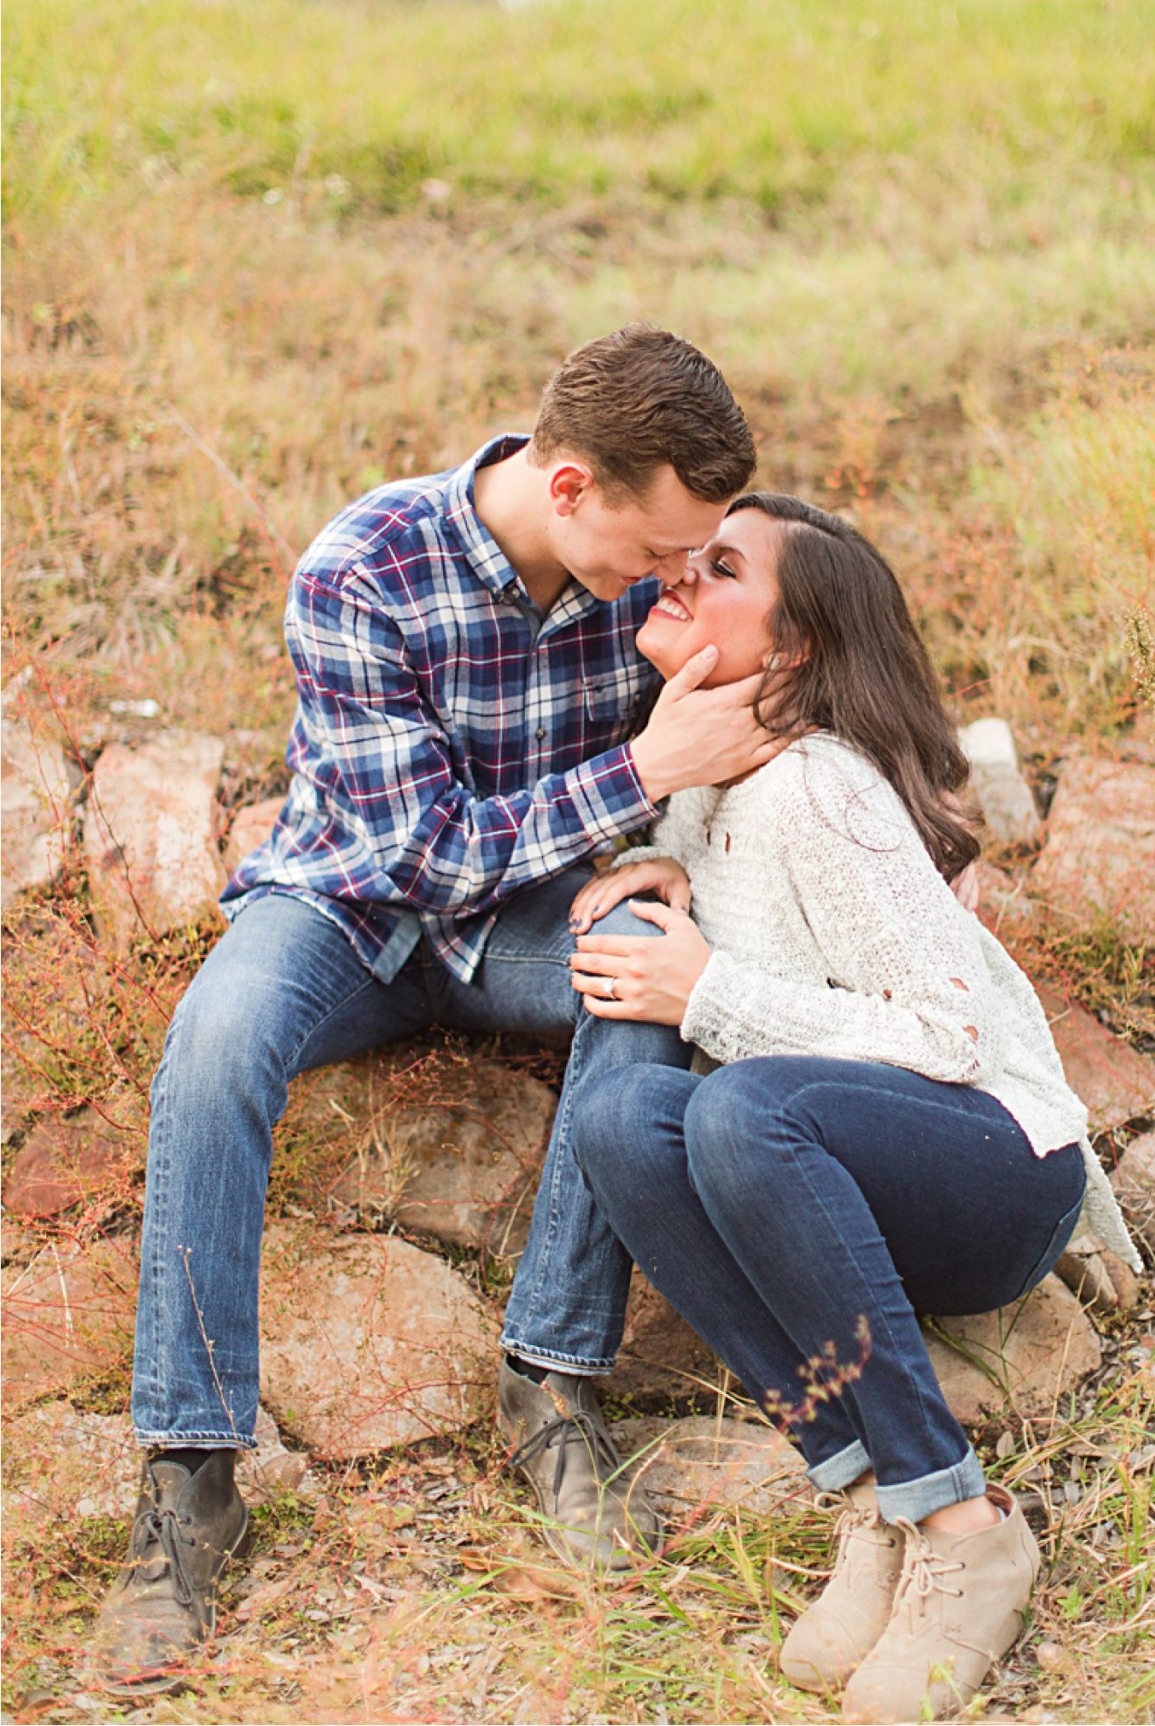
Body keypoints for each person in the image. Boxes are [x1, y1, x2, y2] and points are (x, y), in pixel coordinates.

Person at [89, 325, 780, 1692]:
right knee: (215, 1041)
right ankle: (189, 1478)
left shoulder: (646, 574)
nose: (671, 581)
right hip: (347, 908)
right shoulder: (362, 565)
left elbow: (772, 694)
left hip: (530, 925)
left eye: (690, 556)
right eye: (655, 553)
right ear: (567, 483)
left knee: (640, 968)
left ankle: (551, 1385)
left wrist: (666, 846)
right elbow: (428, 855)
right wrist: (642, 765)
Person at [565, 494, 1142, 1725]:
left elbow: (948, 1037)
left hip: (998, 1169)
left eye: (716, 567)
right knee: (623, 1122)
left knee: (737, 1110)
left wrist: (709, 988)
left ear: (789, 650)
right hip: (848, 1174)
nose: (673, 575)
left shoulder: (818, 791)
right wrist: (667, 874)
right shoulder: (714, 787)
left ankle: (965, 1527)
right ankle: (870, 1501)